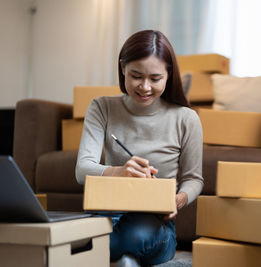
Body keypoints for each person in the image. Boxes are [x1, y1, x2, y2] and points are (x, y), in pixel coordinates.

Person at [75, 30, 204, 266]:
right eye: (136, 76)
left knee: (135, 234)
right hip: (108, 213)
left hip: (153, 220)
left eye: (155, 79)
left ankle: (110, 255)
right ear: (122, 68)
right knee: (100, 233)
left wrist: (175, 200)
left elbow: (194, 179)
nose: (145, 87)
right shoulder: (101, 107)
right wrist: (119, 172)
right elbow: (82, 170)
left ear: (168, 75)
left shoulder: (187, 119)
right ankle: (125, 259)